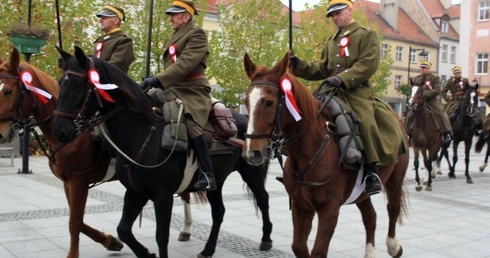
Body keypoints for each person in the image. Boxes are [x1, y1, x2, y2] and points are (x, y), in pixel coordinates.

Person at [289, 0, 407, 195]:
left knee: (364, 120)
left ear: (350, 10)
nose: (336, 17)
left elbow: (368, 64)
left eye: (339, 12)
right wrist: (298, 64)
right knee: (307, 115)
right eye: (332, 15)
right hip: (330, 90)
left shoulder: (365, 35)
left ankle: (371, 171)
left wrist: (344, 78)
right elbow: (322, 69)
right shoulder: (331, 41)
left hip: (356, 92)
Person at [141, 0, 216, 191]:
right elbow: (172, 66)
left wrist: (158, 79)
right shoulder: (176, 35)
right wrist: (154, 79)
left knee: (188, 121)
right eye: (170, 15)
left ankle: (208, 174)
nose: (170, 18)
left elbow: (185, 64)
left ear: (186, 16)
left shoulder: (197, 34)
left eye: (174, 14)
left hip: (192, 89)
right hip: (172, 87)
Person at [410, 61, 452, 143]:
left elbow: (437, 90)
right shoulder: (417, 78)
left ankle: (446, 133)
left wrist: (424, 94)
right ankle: (408, 133)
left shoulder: (435, 78)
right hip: (419, 100)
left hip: (431, 100)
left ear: (429, 69)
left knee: (441, 113)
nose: (422, 69)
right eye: (422, 68)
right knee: (410, 114)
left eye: (424, 68)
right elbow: (414, 88)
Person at [94, 4, 135, 73]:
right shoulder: (100, 40)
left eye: (104, 18)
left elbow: (115, 67)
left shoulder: (123, 41)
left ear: (115, 20)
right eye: (101, 18)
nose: (100, 21)